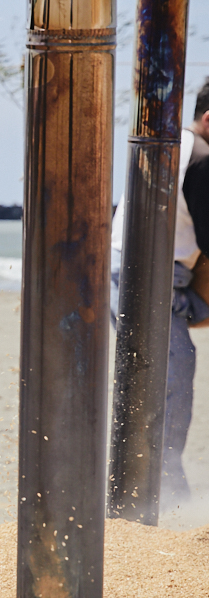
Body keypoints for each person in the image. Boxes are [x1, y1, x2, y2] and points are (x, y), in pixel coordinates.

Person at [111, 78, 209, 507]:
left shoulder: (171, 146)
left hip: (134, 271)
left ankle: (149, 484)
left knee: (153, 378)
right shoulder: (202, 158)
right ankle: (164, 492)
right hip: (153, 278)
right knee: (172, 378)